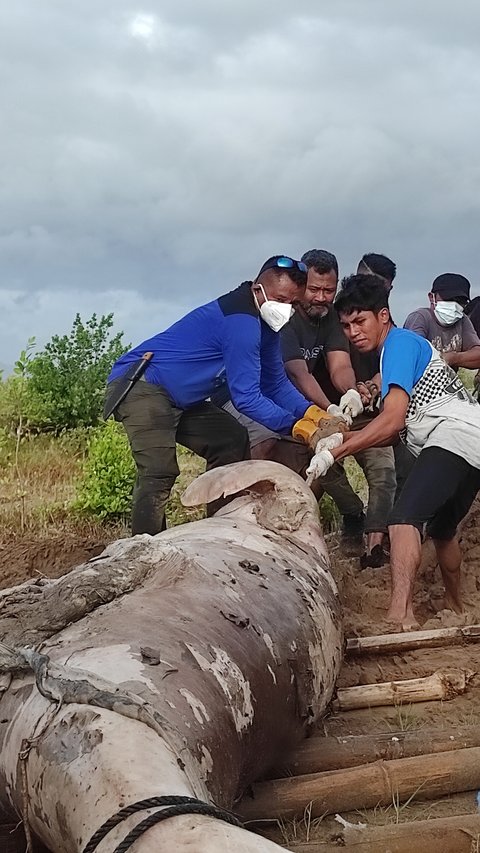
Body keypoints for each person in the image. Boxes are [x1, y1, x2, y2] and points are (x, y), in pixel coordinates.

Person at [105, 255, 321, 535]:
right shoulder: (241, 323)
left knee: (229, 439)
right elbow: (246, 397)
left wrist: (312, 413)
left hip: (181, 399)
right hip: (144, 385)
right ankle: (145, 548)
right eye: (281, 299)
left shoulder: (266, 327)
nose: (286, 309)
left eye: (293, 303)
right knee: (159, 471)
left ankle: (219, 529)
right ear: (258, 289)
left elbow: (276, 383)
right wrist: (297, 427)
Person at [316, 274, 480, 629]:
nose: (353, 332)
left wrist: (337, 450)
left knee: (403, 518)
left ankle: (399, 614)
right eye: (345, 325)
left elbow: (391, 423)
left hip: (453, 434)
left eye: (360, 321)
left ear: (384, 317)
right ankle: (458, 608)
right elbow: (394, 433)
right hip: (471, 438)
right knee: (443, 528)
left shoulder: (400, 345)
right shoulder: (397, 352)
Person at [215, 249, 396, 567]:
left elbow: (339, 367)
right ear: (301, 286)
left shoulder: (331, 320)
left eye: (329, 290)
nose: (322, 297)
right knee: (279, 452)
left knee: (369, 467)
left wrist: (351, 395)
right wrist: (328, 411)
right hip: (272, 399)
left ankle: (367, 542)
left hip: (315, 406)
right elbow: (298, 373)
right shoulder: (282, 315)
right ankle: (241, 529)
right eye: (314, 289)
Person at [356, 252, 414, 501]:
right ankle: (351, 517)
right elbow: (337, 365)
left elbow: (390, 365)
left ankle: (384, 533)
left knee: (395, 470)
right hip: (331, 406)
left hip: (377, 409)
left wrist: (373, 385)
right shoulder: (333, 317)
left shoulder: (390, 325)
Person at [404, 273, 480, 370]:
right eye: (448, 299)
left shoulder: (462, 320)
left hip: (446, 382)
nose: (454, 305)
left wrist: (455, 358)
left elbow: (477, 355)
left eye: (460, 301)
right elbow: (413, 355)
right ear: (432, 297)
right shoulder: (420, 317)